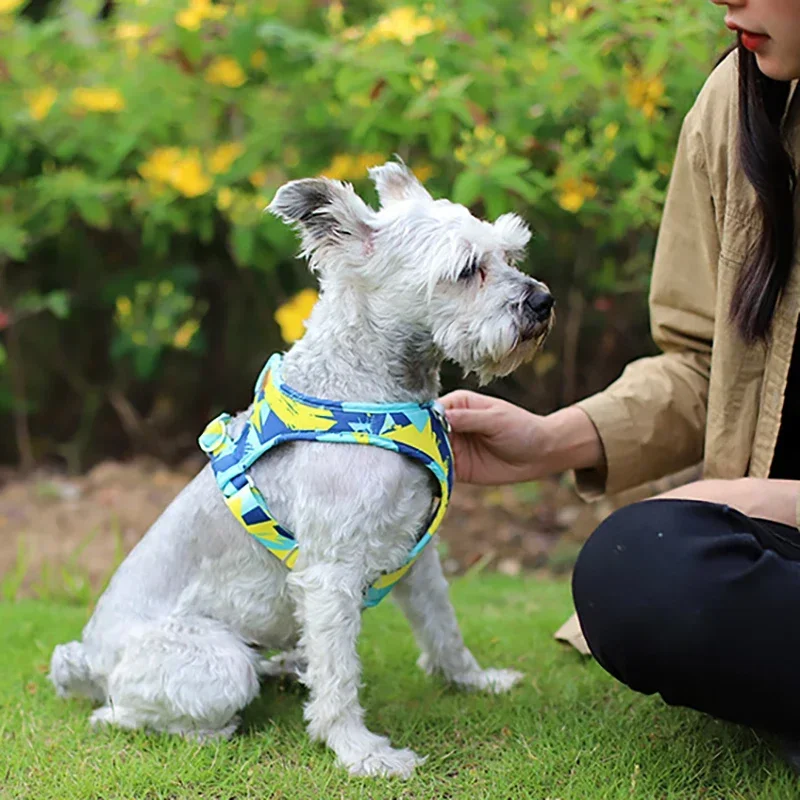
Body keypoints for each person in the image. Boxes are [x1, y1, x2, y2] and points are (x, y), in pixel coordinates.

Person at [440, 0, 800, 762]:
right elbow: (704, 361)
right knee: (635, 566)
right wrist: (548, 441)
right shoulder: (734, 106)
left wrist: (767, 498)